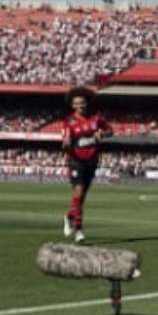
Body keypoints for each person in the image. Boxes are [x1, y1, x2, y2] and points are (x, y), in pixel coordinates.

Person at [61, 86, 113, 243]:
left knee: (81, 197)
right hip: (76, 160)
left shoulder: (96, 118)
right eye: (77, 103)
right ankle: (78, 230)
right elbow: (65, 143)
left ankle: (69, 216)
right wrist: (67, 143)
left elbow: (110, 130)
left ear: (86, 103)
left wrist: (102, 133)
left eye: (82, 103)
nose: (80, 105)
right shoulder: (68, 122)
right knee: (78, 191)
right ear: (72, 105)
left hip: (92, 160)